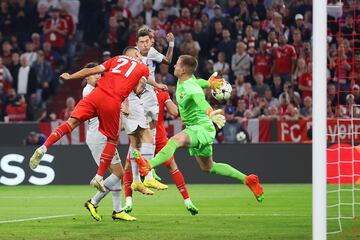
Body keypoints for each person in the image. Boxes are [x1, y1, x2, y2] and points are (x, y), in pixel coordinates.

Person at [134, 55, 264, 203]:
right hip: (198, 128)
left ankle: (148, 166)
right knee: (208, 167)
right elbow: (199, 82)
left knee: (174, 141)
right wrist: (208, 83)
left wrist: (210, 113)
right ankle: (248, 179)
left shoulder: (191, 88)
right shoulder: (187, 80)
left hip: (200, 128)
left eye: (176, 64)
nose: (174, 66)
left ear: (182, 70)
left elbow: (201, 100)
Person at [29, 47, 149, 193]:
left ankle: (44, 147)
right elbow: (139, 88)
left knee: (69, 124)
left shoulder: (117, 59)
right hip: (111, 102)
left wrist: (70, 76)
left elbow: (90, 71)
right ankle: (99, 176)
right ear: (138, 55)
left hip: (97, 95)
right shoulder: (144, 68)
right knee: (112, 139)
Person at [81, 62, 135, 222]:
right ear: (86, 76)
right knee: (119, 173)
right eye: (94, 74)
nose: (98, 76)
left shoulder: (99, 88)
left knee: (117, 174)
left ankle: (117, 210)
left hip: (105, 136)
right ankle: (93, 201)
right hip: (99, 137)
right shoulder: (89, 91)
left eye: (99, 73)